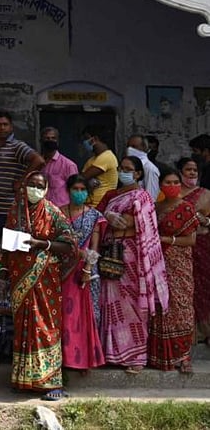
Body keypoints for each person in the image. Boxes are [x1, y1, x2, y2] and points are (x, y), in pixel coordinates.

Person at [1, 172, 74, 400]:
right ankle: (24, 380)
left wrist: (40, 244)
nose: (34, 188)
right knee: (23, 327)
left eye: (39, 185)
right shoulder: (15, 210)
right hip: (18, 276)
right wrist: (3, 273)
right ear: (23, 187)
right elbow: (6, 245)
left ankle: (51, 382)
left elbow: (69, 244)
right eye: (30, 184)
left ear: (46, 189)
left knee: (45, 326)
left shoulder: (53, 212)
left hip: (45, 279)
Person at [95, 156, 166, 373]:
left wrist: (114, 219)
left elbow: (131, 223)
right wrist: (108, 216)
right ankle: (112, 354)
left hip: (133, 256)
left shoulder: (142, 196)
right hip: (111, 253)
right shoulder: (115, 197)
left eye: (128, 169)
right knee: (110, 301)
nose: (123, 172)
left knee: (133, 304)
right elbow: (109, 222)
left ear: (137, 174)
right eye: (121, 168)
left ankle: (136, 357)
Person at [148, 168, 197, 373]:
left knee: (181, 306)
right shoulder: (154, 207)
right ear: (161, 186)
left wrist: (168, 240)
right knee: (160, 306)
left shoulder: (186, 208)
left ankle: (184, 356)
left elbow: (191, 240)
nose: (172, 186)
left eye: (176, 182)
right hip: (157, 263)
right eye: (168, 182)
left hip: (179, 264)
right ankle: (161, 356)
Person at [0, 111, 45, 276]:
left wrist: (22, 181)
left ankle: (5, 293)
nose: (2, 128)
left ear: (11, 127)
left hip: (8, 211)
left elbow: (38, 160)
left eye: (5, 125)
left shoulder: (17, 146)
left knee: (7, 253)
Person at [59, 174, 105, 371]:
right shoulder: (58, 213)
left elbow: (94, 248)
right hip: (62, 269)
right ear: (68, 191)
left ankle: (85, 359)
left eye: (82, 190)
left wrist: (87, 268)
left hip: (85, 271)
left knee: (87, 315)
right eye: (75, 189)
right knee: (65, 314)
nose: (79, 193)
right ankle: (65, 358)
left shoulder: (94, 215)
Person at [178, 157, 210, 345]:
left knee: (204, 287)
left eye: (195, 171)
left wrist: (206, 221)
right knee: (186, 287)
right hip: (180, 246)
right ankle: (188, 331)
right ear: (181, 171)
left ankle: (205, 330)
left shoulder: (206, 194)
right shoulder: (171, 193)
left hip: (203, 245)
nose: (192, 173)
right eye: (188, 170)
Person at [41, 127, 78, 208]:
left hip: (61, 210)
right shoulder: (38, 163)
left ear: (58, 141)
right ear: (42, 140)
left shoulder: (68, 165)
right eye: (47, 138)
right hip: (42, 210)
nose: (50, 140)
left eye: (53, 138)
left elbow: (75, 190)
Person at [82, 125, 118, 206]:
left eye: (86, 138)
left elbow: (82, 177)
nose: (84, 142)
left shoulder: (107, 156)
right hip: (90, 204)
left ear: (95, 139)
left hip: (101, 205)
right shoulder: (92, 159)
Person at [126, 135, 160, 200]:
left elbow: (151, 197)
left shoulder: (149, 168)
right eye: (128, 146)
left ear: (144, 148)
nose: (129, 149)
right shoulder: (128, 167)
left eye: (134, 147)